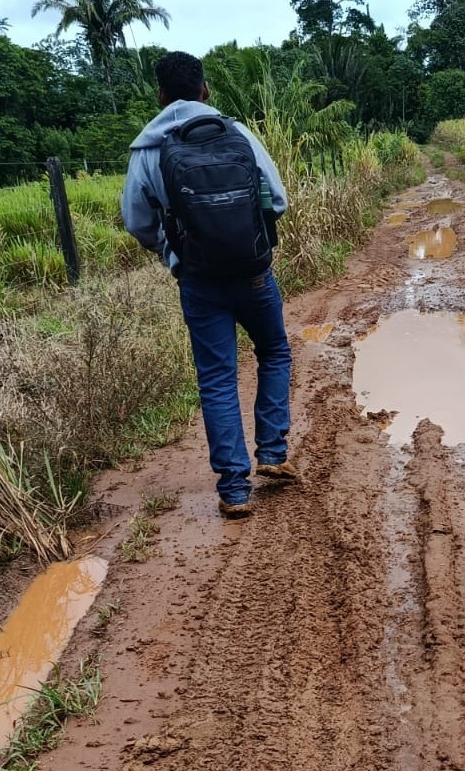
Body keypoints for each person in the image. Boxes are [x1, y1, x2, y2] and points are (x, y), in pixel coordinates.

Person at [121, 50, 296, 519]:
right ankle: (273, 453)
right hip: (254, 273)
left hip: (198, 281)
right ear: (206, 89)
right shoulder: (237, 133)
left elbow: (136, 221)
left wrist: (171, 252)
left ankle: (234, 490)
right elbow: (276, 199)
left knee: (217, 378)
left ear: (159, 95)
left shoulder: (148, 149)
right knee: (274, 352)